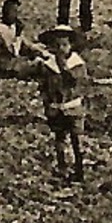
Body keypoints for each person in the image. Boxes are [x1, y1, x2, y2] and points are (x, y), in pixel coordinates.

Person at [36, 26, 88, 181]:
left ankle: (79, 169)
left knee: (77, 139)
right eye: (57, 45)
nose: (60, 49)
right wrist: (47, 103)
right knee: (60, 138)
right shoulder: (48, 66)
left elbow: (74, 82)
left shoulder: (77, 64)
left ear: (71, 45)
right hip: (56, 108)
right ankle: (62, 167)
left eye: (64, 45)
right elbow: (44, 86)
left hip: (73, 107)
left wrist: (64, 66)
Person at [0, 0, 46, 78]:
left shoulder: (13, 27)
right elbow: (12, 52)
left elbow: (26, 44)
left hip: (16, 63)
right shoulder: (0, 30)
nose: (16, 15)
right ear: (5, 12)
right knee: (39, 65)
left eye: (17, 12)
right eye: (14, 11)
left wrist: (41, 49)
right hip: (7, 67)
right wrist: (18, 35)